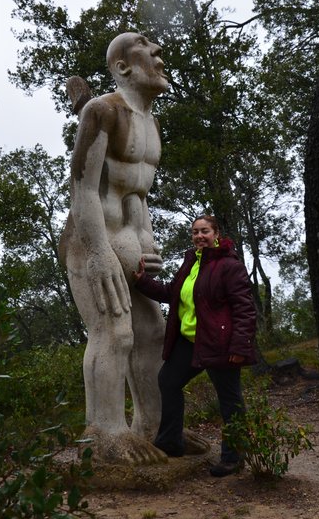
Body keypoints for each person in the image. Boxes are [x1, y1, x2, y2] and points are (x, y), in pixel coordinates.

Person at [59, 32, 169, 465]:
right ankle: (103, 430)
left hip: (130, 239)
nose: (159, 53)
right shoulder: (101, 111)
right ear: (123, 66)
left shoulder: (151, 124)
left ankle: (155, 428)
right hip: (91, 242)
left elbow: (135, 194)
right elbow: (83, 188)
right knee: (113, 332)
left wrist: (146, 238)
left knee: (153, 334)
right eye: (146, 45)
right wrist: (99, 252)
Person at [133, 214, 257, 476]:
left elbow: (244, 309)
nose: (199, 236)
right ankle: (170, 443)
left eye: (205, 231)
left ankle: (233, 458)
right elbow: (171, 294)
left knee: (229, 399)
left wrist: (239, 347)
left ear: (216, 234)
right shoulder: (191, 263)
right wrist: (143, 281)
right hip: (190, 341)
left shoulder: (229, 265)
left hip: (220, 344)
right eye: (195, 232)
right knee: (168, 380)